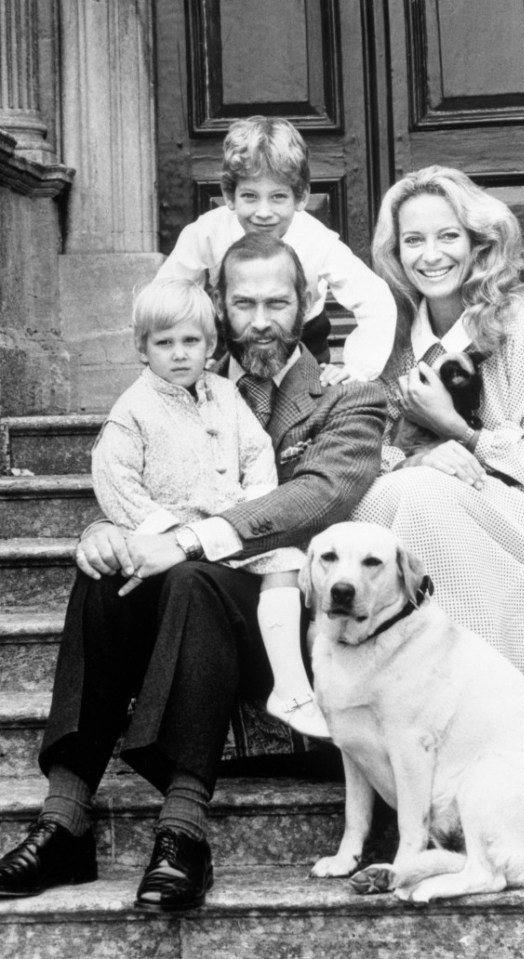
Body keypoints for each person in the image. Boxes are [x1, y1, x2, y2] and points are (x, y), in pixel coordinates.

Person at [0, 234, 386, 910]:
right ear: (220, 310)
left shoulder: (346, 396)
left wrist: (186, 540)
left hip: (283, 611)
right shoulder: (171, 383)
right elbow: (130, 477)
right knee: (102, 574)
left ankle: (183, 831)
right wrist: (108, 533)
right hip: (187, 604)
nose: (260, 318)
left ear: (308, 304)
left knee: (190, 576)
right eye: (244, 302)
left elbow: (318, 493)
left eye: (277, 301)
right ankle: (65, 815)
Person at [350, 165, 524, 700]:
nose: (431, 255)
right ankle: (392, 682)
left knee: (423, 498)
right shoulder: (391, 340)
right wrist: (416, 458)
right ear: (395, 253)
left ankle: (465, 685)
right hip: (438, 496)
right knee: (376, 502)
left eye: (448, 236)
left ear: (478, 243)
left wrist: (459, 432)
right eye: (413, 241)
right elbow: (364, 447)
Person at [91, 276, 329, 741]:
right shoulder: (131, 409)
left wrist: (255, 504)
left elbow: (257, 452)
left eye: (190, 341)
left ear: (210, 343)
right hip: (168, 537)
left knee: (288, 560)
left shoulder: (225, 394)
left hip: (228, 529)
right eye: (164, 343)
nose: (179, 354)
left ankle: (291, 685)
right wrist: (162, 532)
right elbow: (116, 481)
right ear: (142, 348)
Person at [156, 114, 397, 384]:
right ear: (228, 195)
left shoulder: (318, 240)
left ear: (302, 197)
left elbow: (376, 299)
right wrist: (190, 349)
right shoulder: (207, 233)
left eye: (278, 197)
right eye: (249, 196)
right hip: (230, 346)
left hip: (303, 347)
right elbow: (164, 296)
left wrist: (359, 368)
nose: (263, 212)